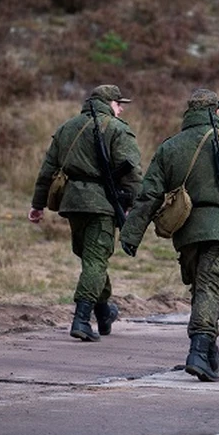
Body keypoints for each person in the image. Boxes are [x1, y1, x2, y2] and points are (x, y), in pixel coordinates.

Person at [119, 88, 219, 382]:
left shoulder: (170, 147)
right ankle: (199, 349)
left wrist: (131, 234)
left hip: (186, 230)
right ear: (216, 111)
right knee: (210, 289)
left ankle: (207, 351)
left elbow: (149, 195)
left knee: (201, 289)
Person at [28, 84, 142, 342]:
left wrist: (38, 204)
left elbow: (47, 172)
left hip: (72, 203)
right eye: (118, 103)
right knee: (95, 261)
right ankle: (81, 319)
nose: (121, 108)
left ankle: (103, 313)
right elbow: (133, 173)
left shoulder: (67, 128)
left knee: (92, 259)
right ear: (108, 103)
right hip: (101, 204)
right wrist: (136, 205)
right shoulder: (117, 129)